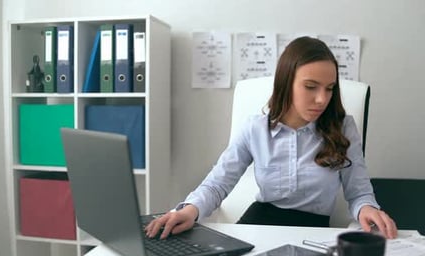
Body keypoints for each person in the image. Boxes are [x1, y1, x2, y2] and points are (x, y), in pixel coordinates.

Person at [146, 36, 398, 240]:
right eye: (311, 87)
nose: (322, 99)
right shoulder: (255, 129)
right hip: (258, 225)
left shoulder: (343, 127)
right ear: (286, 83)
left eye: (330, 88)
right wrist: (190, 210)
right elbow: (217, 183)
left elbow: (359, 192)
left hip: (313, 231)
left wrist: (368, 209)